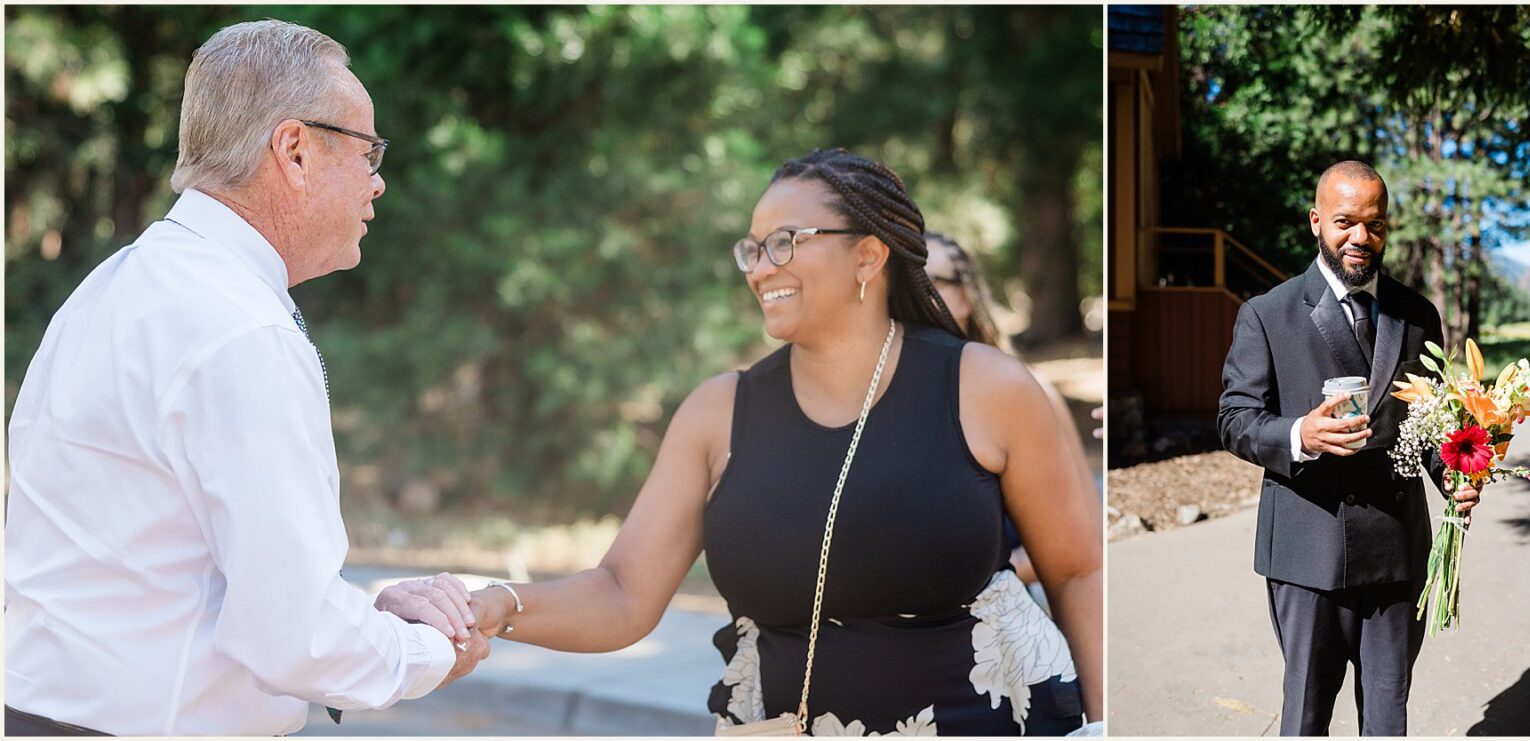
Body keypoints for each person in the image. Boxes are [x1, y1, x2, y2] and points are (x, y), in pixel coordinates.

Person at [465, 149, 1104, 735]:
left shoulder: (986, 388)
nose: (760, 268)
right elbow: (622, 594)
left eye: (784, 242)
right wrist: (497, 606)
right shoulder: (718, 412)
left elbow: (1077, 572)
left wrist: (1108, 727)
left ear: (869, 256)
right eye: (752, 248)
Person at [4, 21, 485, 736]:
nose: (378, 180)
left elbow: (188, 570)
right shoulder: (241, 330)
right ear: (293, 150)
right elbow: (297, 637)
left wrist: (361, 612)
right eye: (368, 150)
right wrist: (436, 647)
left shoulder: (114, 285)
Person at [1216, 161, 1482, 736]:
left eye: (1376, 225)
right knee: (1306, 720)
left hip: (1396, 551)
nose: (1362, 238)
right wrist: (1299, 436)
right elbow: (1234, 419)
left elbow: (1431, 425)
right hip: (1306, 554)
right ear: (1316, 222)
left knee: (1388, 720)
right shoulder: (1266, 314)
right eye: (1345, 222)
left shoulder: (1418, 316)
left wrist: (1454, 474)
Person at [922, 232, 1098, 587]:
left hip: (1004, 611)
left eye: (929, 283)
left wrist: (984, 582)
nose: (913, 298)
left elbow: (1085, 533)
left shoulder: (1029, 392)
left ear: (966, 297)